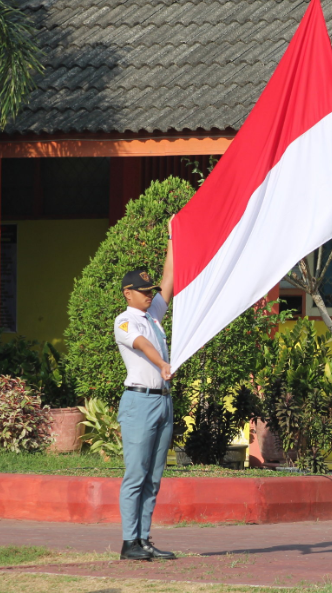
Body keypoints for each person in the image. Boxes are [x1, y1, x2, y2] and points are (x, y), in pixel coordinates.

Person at [113, 218, 176, 561]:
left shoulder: (152, 315)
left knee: (153, 476)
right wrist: (163, 365)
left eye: (149, 292)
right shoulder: (125, 319)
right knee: (136, 474)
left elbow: (169, 280)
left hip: (162, 403)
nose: (149, 295)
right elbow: (140, 345)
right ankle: (128, 542)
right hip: (139, 401)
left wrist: (173, 238)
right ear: (127, 293)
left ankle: (145, 538)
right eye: (143, 291)